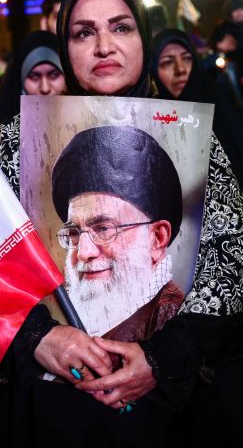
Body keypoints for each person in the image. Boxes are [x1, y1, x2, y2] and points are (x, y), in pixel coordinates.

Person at [0, 0, 243, 448]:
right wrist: (39, 339)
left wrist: (160, 360)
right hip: (52, 412)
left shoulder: (192, 135)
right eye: (83, 32)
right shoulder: (17, 141)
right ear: (65, 47)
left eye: (121, 27)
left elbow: (228, 263)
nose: (104, 46)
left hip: (168, 411)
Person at [152, 28, 243, 442]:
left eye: (186, 59)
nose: (180, 70)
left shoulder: (220, 114)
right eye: (167, 62)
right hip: (170, 275)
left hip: (228, 267)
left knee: (226, 391)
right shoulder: (148, 121)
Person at [51, 126, 185, 341]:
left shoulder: (175, 325)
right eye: (74, 233)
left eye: (103, 228)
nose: (84, 252)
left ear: (157, 238)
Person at [0, 31, 65, 142]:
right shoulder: (1, 137)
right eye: (34, 77)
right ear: (21, 80)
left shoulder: (85, 123)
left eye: (54, 75)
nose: (45, 88)